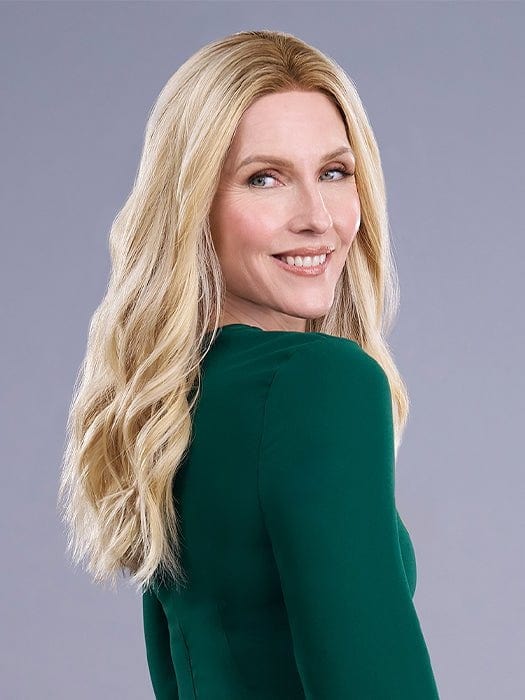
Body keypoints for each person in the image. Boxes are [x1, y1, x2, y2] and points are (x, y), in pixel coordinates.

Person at [58, 29, 440, 699]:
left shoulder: (171, 408)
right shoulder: (320, 384)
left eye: (334, 172)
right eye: (264, 179)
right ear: (193, 206)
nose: (317, 218)